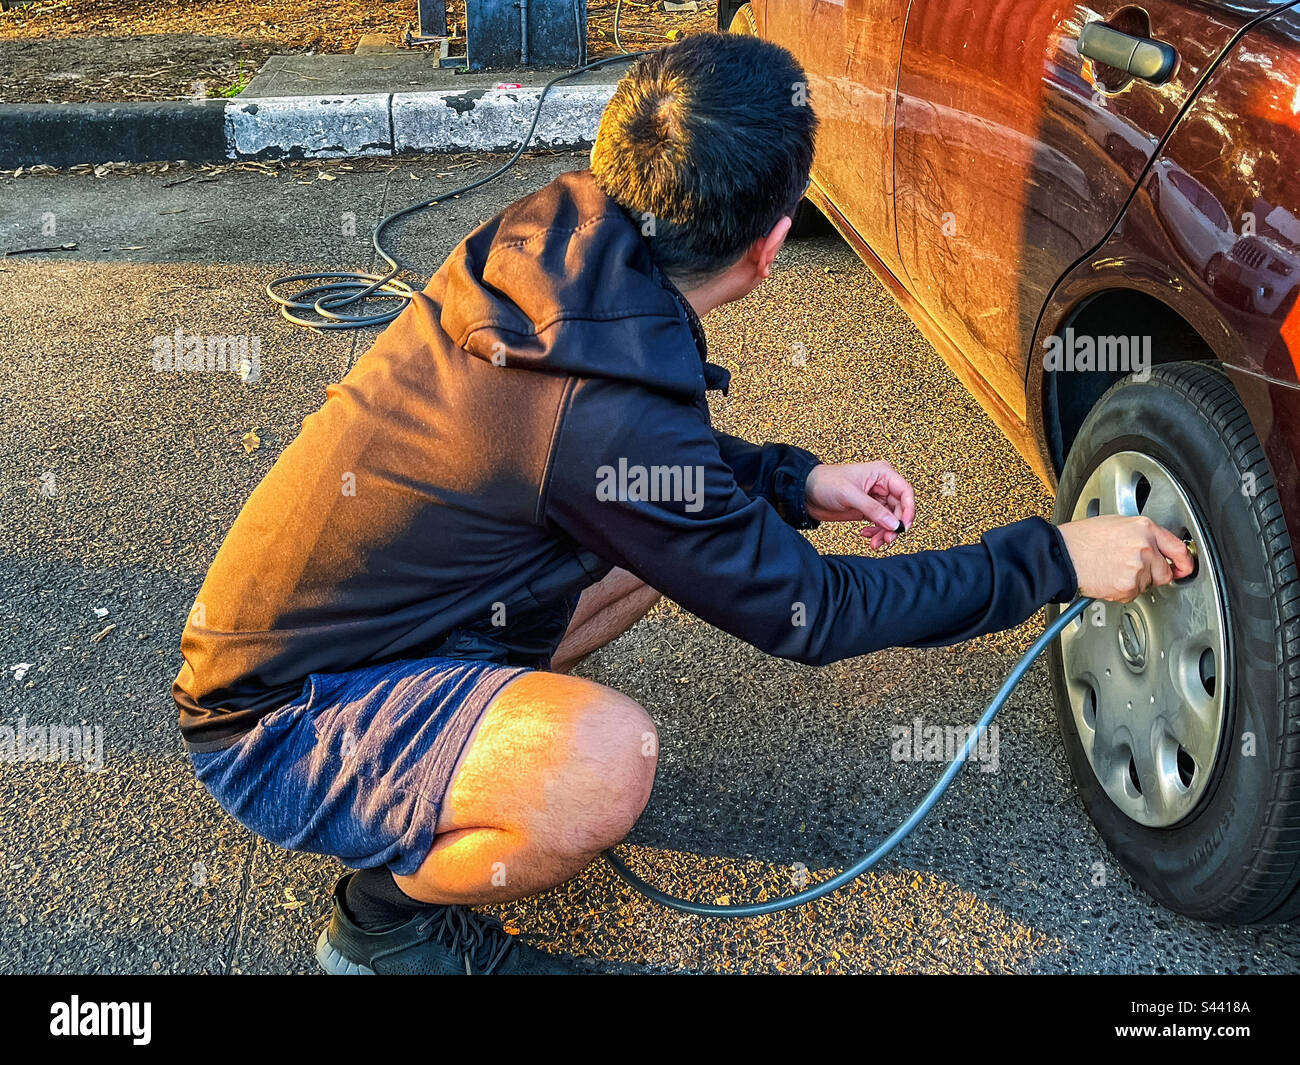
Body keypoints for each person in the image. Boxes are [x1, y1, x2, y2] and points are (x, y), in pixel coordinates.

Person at [173, 32, 1193, 975]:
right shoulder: (599, 407)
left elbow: (625, 465)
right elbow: (815, 614)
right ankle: (383, 923)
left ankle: (458, 754)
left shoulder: (562, 232)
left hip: (344, 635)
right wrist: (1054, 559)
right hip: (276, 727)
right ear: (771, 245)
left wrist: (794, 482)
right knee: (606, 762)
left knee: (652, 552)